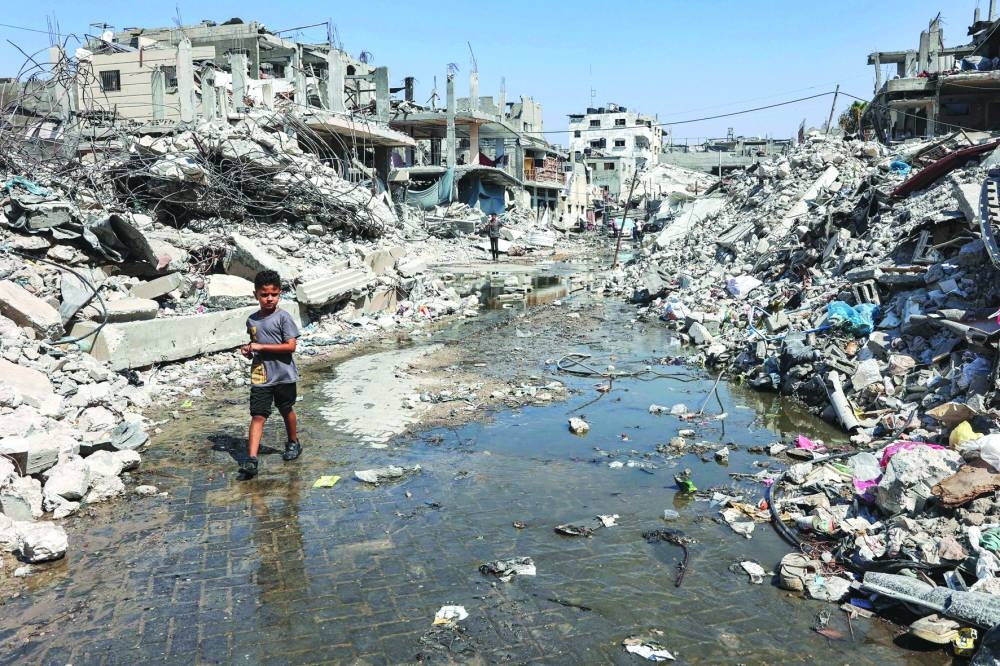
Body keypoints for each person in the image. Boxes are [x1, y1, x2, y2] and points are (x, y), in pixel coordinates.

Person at [239, 270, 302, 479]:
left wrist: (261, 346)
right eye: (264, 294)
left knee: (286, 409)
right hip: (261, 375)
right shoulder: (252, 321)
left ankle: (293, 442)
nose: (269, 298)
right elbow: (256, 346)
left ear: (279, 294)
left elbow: (290, 346)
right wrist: (249, 350)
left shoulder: (283, 317)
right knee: (258, 415)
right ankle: (251, 460)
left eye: (273, 294)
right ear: (255, 294)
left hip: (284, 375)